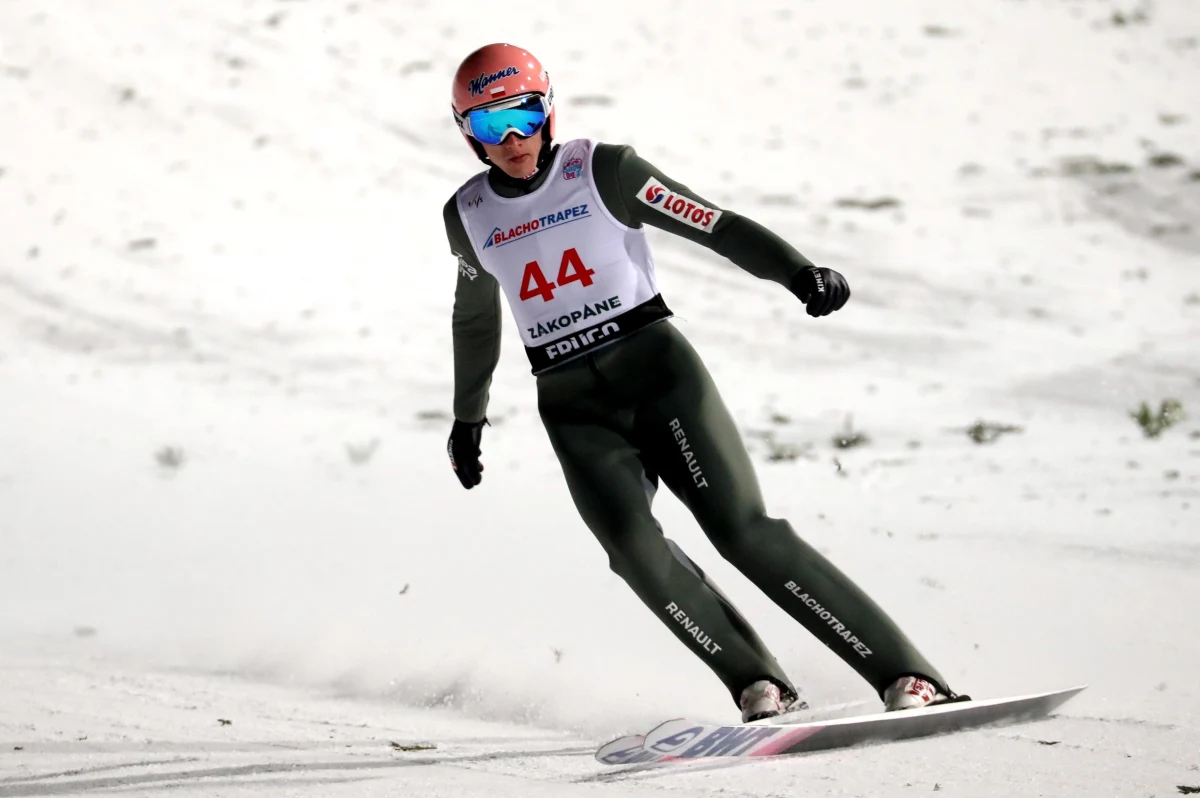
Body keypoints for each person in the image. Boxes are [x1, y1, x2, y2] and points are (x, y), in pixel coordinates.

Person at [442, 43, 962, 722]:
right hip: (572, 403)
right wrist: (466, 417)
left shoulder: (604, 170)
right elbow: (475, 318)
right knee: (631, 550)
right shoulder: (468, 214)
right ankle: (755, 682)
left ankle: (907, 673)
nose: (511, 138)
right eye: (488, 124)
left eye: (523, 114)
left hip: (657, 372)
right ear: (465, 133)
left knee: (742, 532)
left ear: (549, 109)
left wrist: (797, 272)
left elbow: (711, 224)